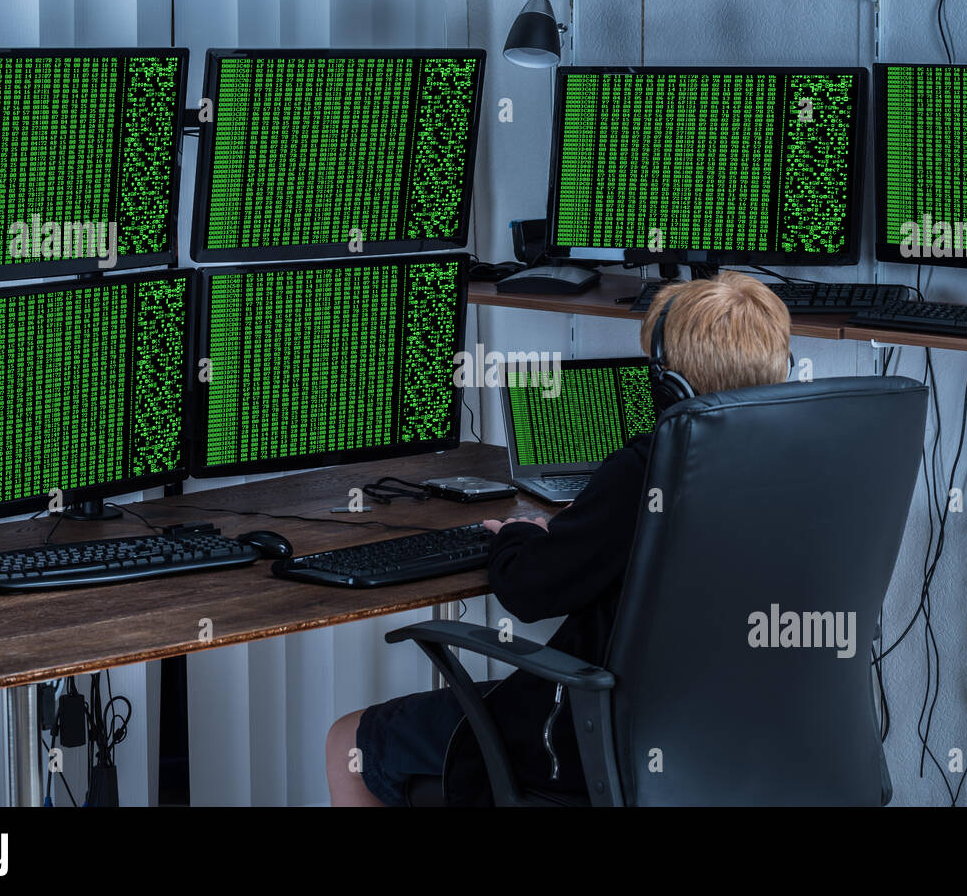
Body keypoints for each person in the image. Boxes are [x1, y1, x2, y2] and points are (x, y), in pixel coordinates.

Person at [325, 270, 792, 806]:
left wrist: (519, 535)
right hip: (736, 743)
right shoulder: (807, 464)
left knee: (349, 743)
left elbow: (529, 592)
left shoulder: (650, 471)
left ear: (670, 386)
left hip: (590, 743)